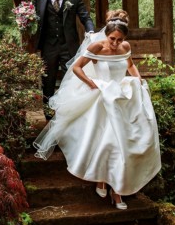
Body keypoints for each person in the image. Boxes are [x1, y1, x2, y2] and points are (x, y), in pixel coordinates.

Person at [33, 16, 161, 210]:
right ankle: (103, 181)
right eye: (112, 39)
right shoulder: (96, 48)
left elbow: (130, 65)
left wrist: (139, 80)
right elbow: (76, 67)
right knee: (108, 141)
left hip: (122, 94)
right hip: (102, 95)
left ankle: (117, 190)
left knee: (126, 142)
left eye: (119, 39)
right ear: (106, 35)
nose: (116, 43)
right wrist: (91, 83)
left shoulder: (125, 48)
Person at [33, 0, 95, 119]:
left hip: (68, 45)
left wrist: (91, 31)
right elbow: (34, 16)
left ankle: (67, 114)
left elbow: (85, 17)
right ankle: (48, 115)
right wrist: (24, 21)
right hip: (48, 46)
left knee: (69, 80)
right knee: (48, 80)